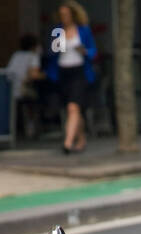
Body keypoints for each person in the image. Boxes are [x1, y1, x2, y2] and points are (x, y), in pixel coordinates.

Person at [44, 2, 97, 154]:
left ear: (73, 15)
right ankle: (81, 139)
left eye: (67, 14)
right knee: (73, 109)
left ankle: (67, 142)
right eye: (62, 15)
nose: (64, 17)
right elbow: (51, 53)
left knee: (73, 107)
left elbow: (93, 50)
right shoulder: (57, 31)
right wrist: (58, 46)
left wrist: (84, 51)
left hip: (79, 72)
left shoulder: (83, 30)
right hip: (63, 72)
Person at [7, 33, 45, 139]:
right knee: (40, 98)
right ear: (34, 46)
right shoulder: (33, 56)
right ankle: (32, 128)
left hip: (10, 90)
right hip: (23, 91)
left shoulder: (16, 55)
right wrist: (46, 75)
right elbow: (33, 75)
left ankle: (23, 128)